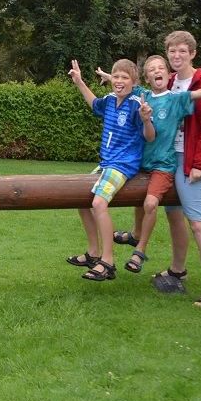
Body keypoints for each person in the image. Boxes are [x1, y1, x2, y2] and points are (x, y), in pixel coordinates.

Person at [105, 56, 201, 275]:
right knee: (137, 201)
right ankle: (136, 234)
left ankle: (140, 251)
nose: (157, 71)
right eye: (151, 70)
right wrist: (109, 76)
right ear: (147, 78)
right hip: (141, 163)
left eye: (160, 68)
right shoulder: (143, 96)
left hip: (163, 165)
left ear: (168, 74)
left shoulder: (175, 99)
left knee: (150, 203)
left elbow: (194, 95)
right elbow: (126, 82)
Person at [152, 30, 201, 307]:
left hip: (192, 160)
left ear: (193, 54)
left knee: (197, 222)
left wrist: (200, 164)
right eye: (172, 51)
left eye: (182, 51)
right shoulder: (171, 82)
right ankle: (177, 270)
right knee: (173, 215)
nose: (176, 55)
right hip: (170, 158)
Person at [66, 58, 155, 281]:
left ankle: (108, 261)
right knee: (80, 200)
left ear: (134, 82)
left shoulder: (136, 103)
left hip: (124, 164)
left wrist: (146, 120)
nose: (119, 81)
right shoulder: (109, 100)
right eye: (115, 76)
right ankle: (94, 253)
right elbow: (94, 104)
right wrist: (79, 82)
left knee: (98, 203)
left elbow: (149, 136)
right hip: (106, 162)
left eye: (125, 77)